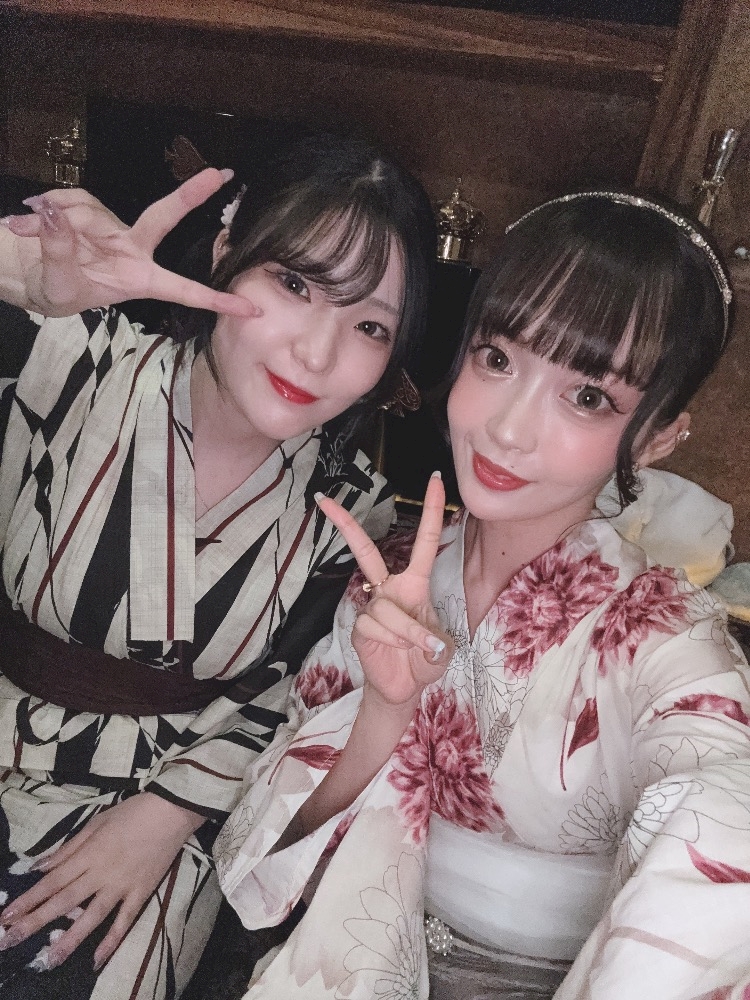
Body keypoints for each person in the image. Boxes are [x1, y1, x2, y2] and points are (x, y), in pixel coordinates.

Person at [216, 191, 750, 999]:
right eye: (498, 359)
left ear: (660, 434)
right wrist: (384, 713)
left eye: (588, 397)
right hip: (370, 951)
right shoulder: (395, 574)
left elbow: (720, 797)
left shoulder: (668, 638)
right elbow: (273, 848)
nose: (506, 429)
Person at [0, 131, 435, 998]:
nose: (317, 353)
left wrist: (165, 816)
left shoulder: (356, 508)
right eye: (295, 284)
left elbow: (284, 696)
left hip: (157, 801)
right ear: (228, 246)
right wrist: (16, 284)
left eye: (369, 325)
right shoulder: (64, 355)